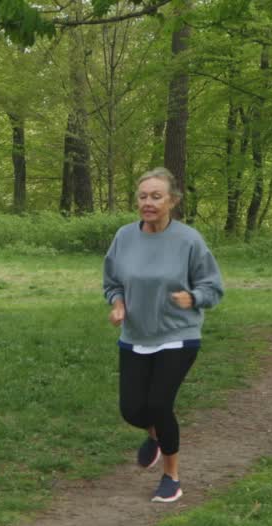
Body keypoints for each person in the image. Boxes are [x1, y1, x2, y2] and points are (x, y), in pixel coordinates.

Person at [103, 167, 224, 502]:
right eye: (143, 196)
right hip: (135, 335)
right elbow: (112, 282)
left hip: (178, 334)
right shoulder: (124, 237)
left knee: (159, 403)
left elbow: (213, 287)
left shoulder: (189, 241)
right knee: (132, 410)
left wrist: (194, 297)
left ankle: (172, 477)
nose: (148, 202)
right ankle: (155, 437)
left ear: (173, 200)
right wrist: (117, 304)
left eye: (156, 196)